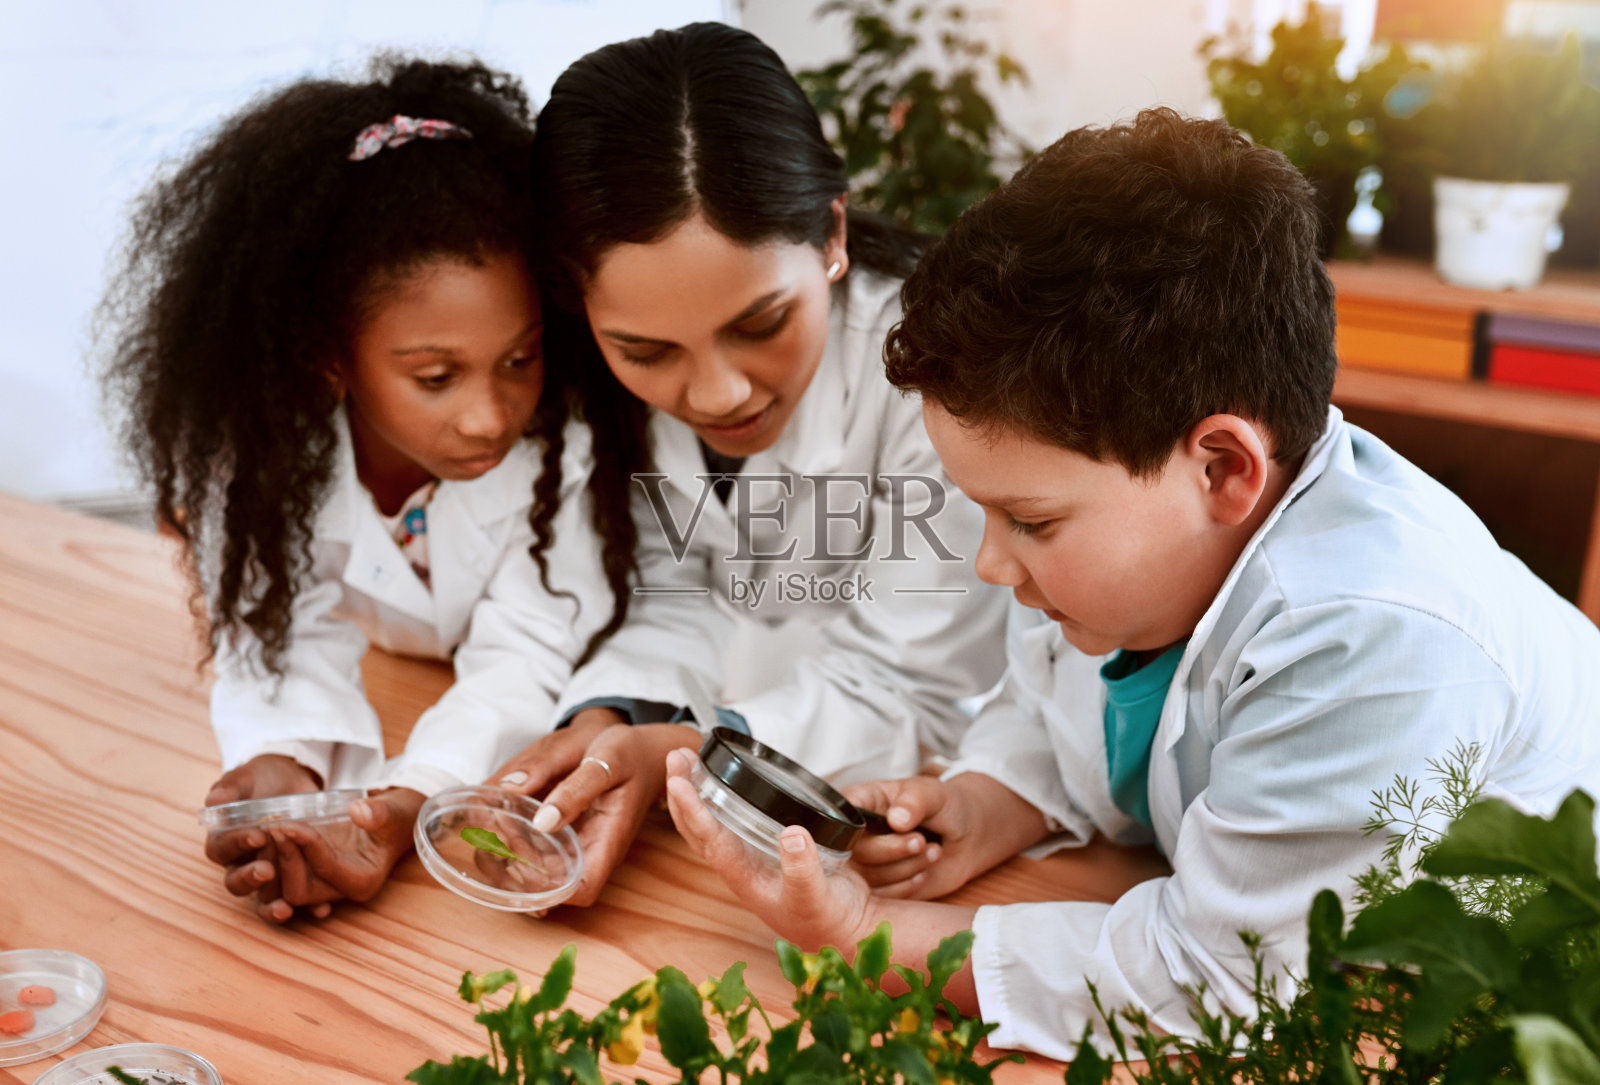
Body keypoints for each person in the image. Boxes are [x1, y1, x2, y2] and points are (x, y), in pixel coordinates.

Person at [663, 108, 1600, 1058]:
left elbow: (1218, 976)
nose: (992, 563)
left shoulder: (1375, 635)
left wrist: (865, 938)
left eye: (1029, 521)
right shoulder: (1154, 555)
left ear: (1224, 469)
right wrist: (991, 802)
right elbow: (1057, 694)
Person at [100, 56, 627, 924]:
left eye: (519, 358)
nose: (489, 416)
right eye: (434, 376)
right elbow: (277, 627)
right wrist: (283, 762)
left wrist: (406, 803)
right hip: (402, 674)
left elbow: (524, 654)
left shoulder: (566, 451)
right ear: (329, 356)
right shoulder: (261, 457)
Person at [491, 22, 1008, 906]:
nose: (720, 392)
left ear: (833, 233)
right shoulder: (606, 403)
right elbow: (677, 595)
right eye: (646, 349)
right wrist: (621, 717)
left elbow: (909, 682)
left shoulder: (947, 379)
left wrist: (696, 750)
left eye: (761, 324)